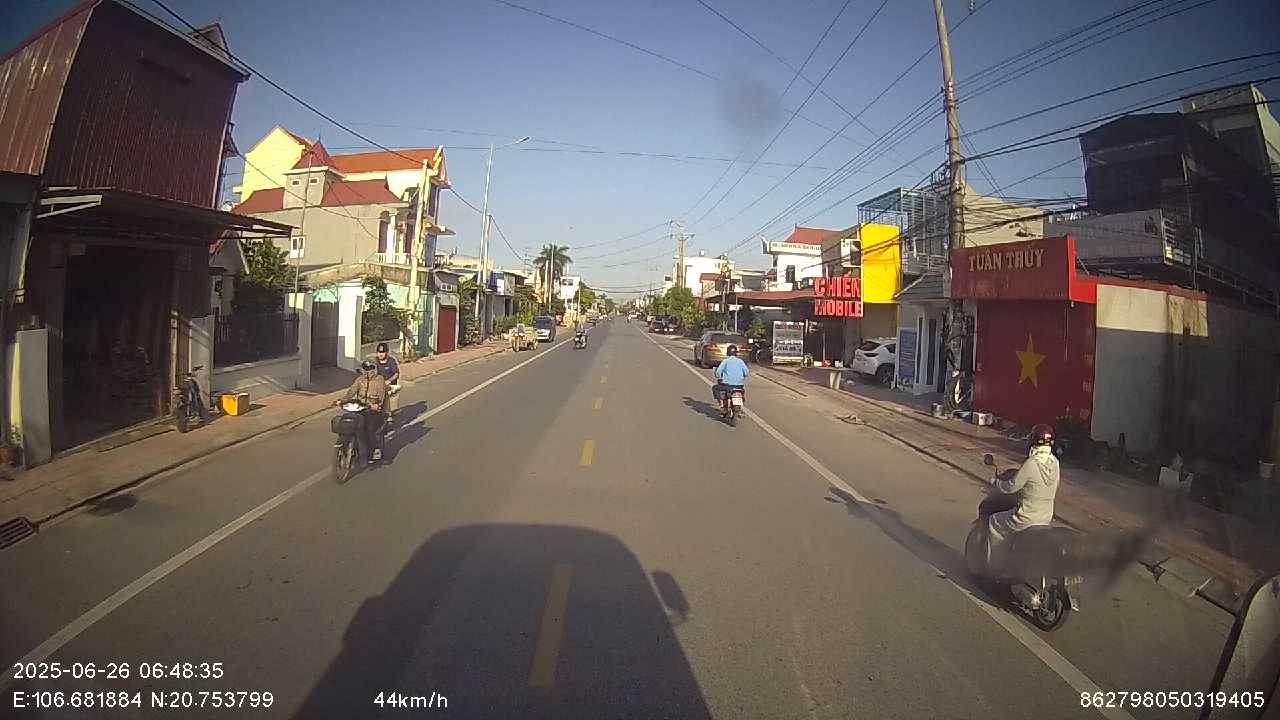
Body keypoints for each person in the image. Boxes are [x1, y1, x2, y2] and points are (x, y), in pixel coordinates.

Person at [986, 423, 1060, 573]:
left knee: (994, 522)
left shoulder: (1032, 463)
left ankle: (994, 566)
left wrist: (995, 482)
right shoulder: (1055, 463)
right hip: (1046, 517)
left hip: (1025, 518)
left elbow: (1011, 487)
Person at [345, 360, 388, 464]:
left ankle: (374, 450)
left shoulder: (379, 379)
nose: (368, 371)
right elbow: (352, 391)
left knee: (369, 428)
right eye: (365, 369)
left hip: (374, 410)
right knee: (350, 423)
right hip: (360, 408)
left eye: (370, 368)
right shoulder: (360, 379)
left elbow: (381, 396)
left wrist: (376, 405)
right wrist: (342, 400)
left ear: (374, 369)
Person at [713, 344, 749, 415]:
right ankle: (740, 407)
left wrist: (719, 377)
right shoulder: (741, 361)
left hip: (727, 386)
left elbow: (718, 372)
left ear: (728, 352)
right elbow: (746, 373)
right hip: (739, 386)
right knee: (742, 393)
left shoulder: (725, 361)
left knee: (715, 388)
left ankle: (722, 405)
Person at [373, 342, 400, 417]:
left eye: (382, 352)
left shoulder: (391, 361)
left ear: (387, 353)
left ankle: (389, 416)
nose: (380, 354)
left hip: (390, 385)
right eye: (379, 352)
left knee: (389, 404)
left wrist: (389, 380)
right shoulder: (375, 361)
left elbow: (396, 374)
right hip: (380, 384)